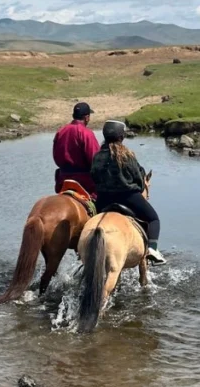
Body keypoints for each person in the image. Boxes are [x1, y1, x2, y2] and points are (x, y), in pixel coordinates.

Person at [91, 120, 166, 265]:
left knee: (92, 223)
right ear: (121, 137)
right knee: (153, 219)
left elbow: (93, 176)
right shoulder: (127, 155)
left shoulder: (97, 156)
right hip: (128, 197)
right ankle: (152, 249)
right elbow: (138, 179)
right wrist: (137, 187)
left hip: (103, 200)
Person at [52, 101, 100, 197]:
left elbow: (55, 156)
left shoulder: (60, 131)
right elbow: (95, 160)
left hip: (63, 180)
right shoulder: (86, 133)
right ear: (86, 117)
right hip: (84, 182)